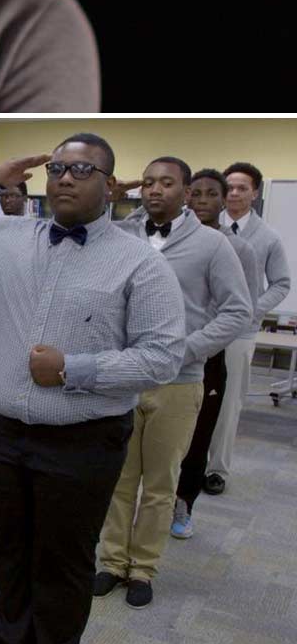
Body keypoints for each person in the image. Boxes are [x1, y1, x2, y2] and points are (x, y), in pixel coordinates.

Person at [0, 134, 185, 644]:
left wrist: (72, 369)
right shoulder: (3, 239)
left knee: (62, 563)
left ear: (110, 186)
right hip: (1, 435)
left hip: (83, 442)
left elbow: (161, 357)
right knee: (13, 551)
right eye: (57, 167)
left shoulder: (140, 262)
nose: (64, 177)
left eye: (82, 170)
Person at [92, 157, 252, 609]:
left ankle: (143, 568)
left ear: (186, 191)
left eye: (167, 183)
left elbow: (237, 311)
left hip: (178, 381)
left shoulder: (211, 245)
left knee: (161, 483)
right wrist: (109, 196)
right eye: (148, 182)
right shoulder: (122, 236)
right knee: (119, 480)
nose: (155, 190)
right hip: (125, 377)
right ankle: (111, 561)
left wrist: (185, 348)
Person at [173, 169, 263, 538]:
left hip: (207, 355)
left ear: (224, 200)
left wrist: (201, 343)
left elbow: (244, 306)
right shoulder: (171, 239)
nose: (202, 201)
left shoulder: (239, 248)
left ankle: (183, 504)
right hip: (162, 351)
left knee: (198, 433)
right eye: (195, 193)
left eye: (212, 194)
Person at [203, 160, 291, 496]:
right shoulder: (203, 225)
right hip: (201, 327)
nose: (235, 193)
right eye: (231, 187)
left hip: (238, 332)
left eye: (243, 188)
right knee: (189, 397)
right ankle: (185, 459)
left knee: (227, 403)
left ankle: (216, 469)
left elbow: (281, 283)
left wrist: (251, 310)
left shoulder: (267, 238)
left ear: (255, 193)